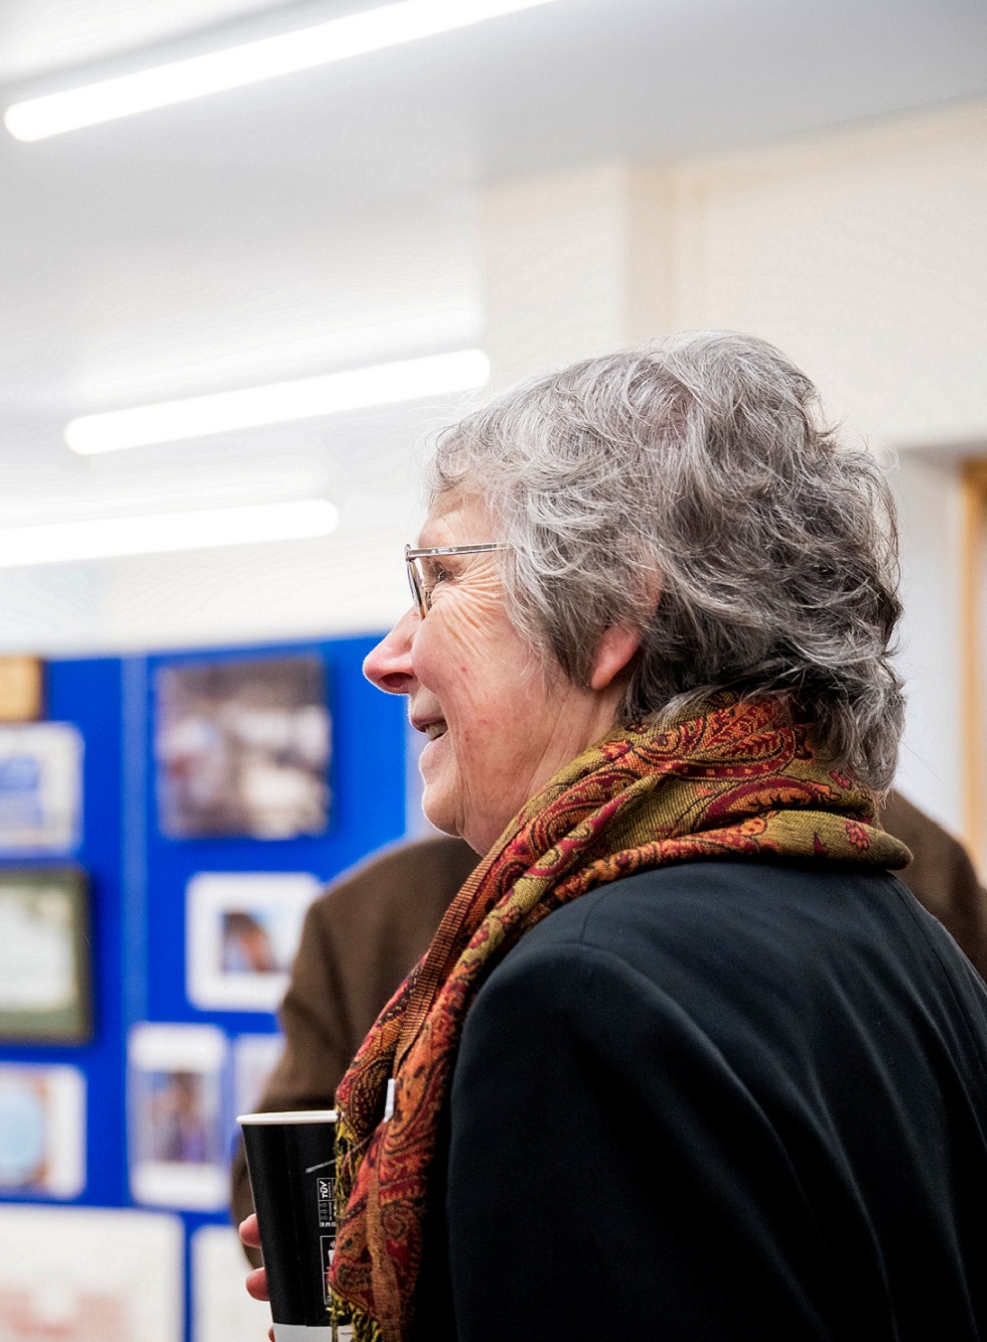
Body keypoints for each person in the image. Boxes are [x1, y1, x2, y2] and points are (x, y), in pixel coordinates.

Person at [239, 333, 987, 1340]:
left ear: (610, 616)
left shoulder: (585, 993)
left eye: (440, 578)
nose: (388, 656)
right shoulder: (894, 932)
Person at [230, 791, 987, 1230]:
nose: (397, 656)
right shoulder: (367, 915)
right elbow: (282, 1162)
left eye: (450, 581)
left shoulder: (911, 860)